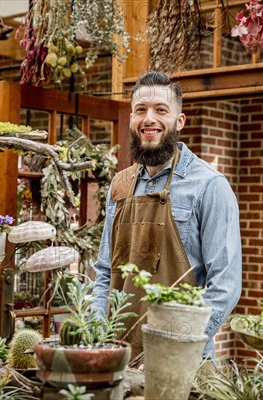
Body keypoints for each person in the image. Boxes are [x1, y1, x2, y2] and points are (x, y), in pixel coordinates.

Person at [92, 71, 242, 359]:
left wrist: (177, 344)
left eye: (161, 110)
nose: (149, 118)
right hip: (117, 353)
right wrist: (96, 334)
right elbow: (104, 272)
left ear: (179, 121)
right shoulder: (121, 183)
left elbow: (225, 286)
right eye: (140, 110)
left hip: (181, 358)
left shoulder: (209, 186)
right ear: (132, 119)